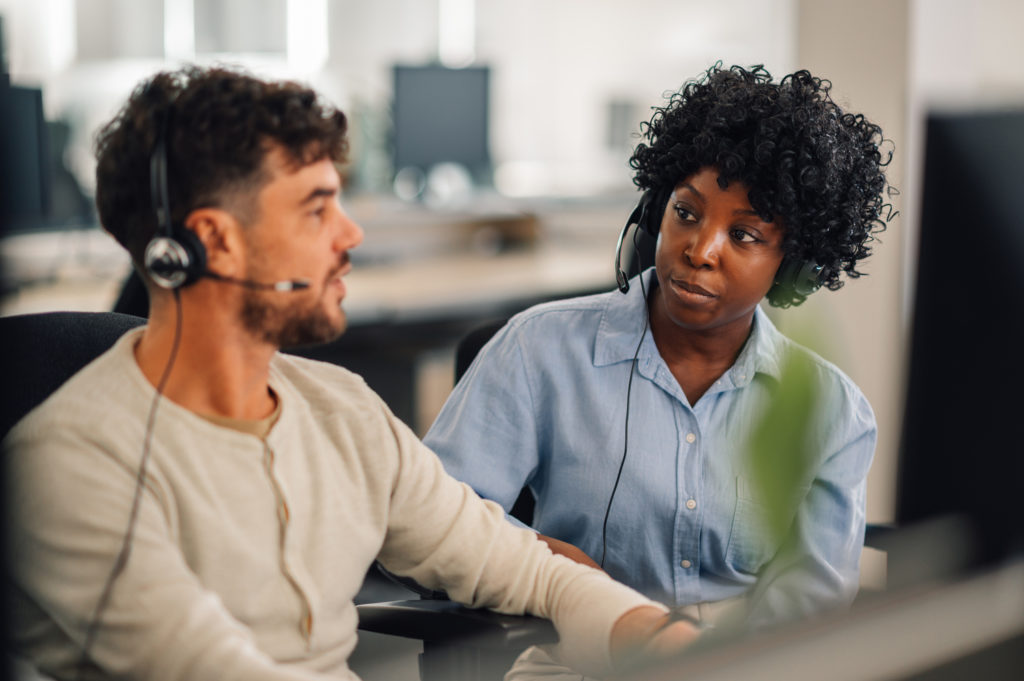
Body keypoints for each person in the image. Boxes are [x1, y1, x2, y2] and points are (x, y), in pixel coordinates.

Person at [3, 66, 697, 681]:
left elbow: (526, 568)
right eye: (316, 208)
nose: (351, 233)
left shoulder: (341, 413)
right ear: (211, 240)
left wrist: (657, 637)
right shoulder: (67, 464)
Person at [424, 64, 895, 631]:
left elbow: (809, 610)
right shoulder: (537, 350)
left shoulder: (829, 411)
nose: (699, 250)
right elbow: (433, 520)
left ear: (793, 267)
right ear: (655, 214)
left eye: (743, 235)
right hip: (574, 655)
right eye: (686, 213)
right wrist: (554, 574)